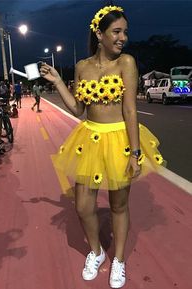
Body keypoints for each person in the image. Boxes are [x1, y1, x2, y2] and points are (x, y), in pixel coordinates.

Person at [40, 5, 165, 288]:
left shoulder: (126, 63)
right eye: (116, 32)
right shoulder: (82, 67)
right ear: (99, 34)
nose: (123, 38)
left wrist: (135, 153)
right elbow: (77, 109)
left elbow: (130, 111)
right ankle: (96, 253)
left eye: (125, 32)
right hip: (89, 139)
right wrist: (59, 81)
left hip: (119, 140)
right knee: (83, 206)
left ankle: (118, 260)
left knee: (118, 205)